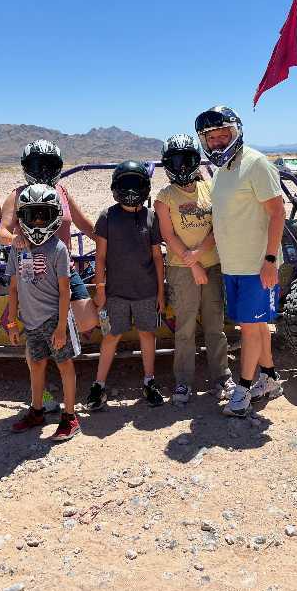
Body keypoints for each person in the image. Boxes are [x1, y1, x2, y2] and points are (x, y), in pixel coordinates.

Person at [195, 105, 286, 417]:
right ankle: (269, 378)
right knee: (255, 325)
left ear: (236, 132)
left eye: (223, 135)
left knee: (248, 329)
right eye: (211, 138)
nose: (218, 142)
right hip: (233, 264)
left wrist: (270, 260)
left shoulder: (256, 163)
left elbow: (278, 212)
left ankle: (244, 390)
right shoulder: (222, 171)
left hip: (256, 265)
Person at [154, 133, 234, 405]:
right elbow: (168, 235)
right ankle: (183, 381)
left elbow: (218, 227)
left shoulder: (209, 188)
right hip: (181, 269)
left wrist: (199, 256)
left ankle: (222, 377)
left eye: (186, 160)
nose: (181, 166)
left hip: (211, 264)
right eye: (175, 161)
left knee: (215, 325)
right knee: (185, 328)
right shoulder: (165, 197)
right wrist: (194, 264)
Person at [86, 161, 165, 410]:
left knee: (147, 334)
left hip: (146, 291)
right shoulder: (107, 217)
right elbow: (100, 257)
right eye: (126, 184)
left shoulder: (150, 217)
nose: (131, 191)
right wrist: (100, 290)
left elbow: (157, 257)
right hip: (116, 293)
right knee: (111, 336)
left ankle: (149, 381)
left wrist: (161, 292)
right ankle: (99, 385)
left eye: (135, 184)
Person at [0, 140, 97, 331]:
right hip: (34, 269)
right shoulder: (18, 195)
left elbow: (84, 225)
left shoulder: (62, 192)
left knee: (87, 320)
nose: (43, 171)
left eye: (49, 165)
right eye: (37, 165)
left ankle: (57, 335)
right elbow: (2, 232)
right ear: (27, 167)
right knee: (37, 323)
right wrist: (16, 239)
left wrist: (109, 242)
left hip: (63, 266)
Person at [7, 184, 81, 441]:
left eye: (43, 215)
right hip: (30, 321)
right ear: (23, 217)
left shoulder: (58, 249)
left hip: (54, 319)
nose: (38, 221)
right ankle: (37, 410)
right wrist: (12, 322)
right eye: (32, 215)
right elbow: (13, 287)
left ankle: (70, 417)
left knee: (64, 364)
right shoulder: (17, 249)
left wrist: (61, 327)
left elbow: (65, 291)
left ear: (54, 216)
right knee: (36, 364)